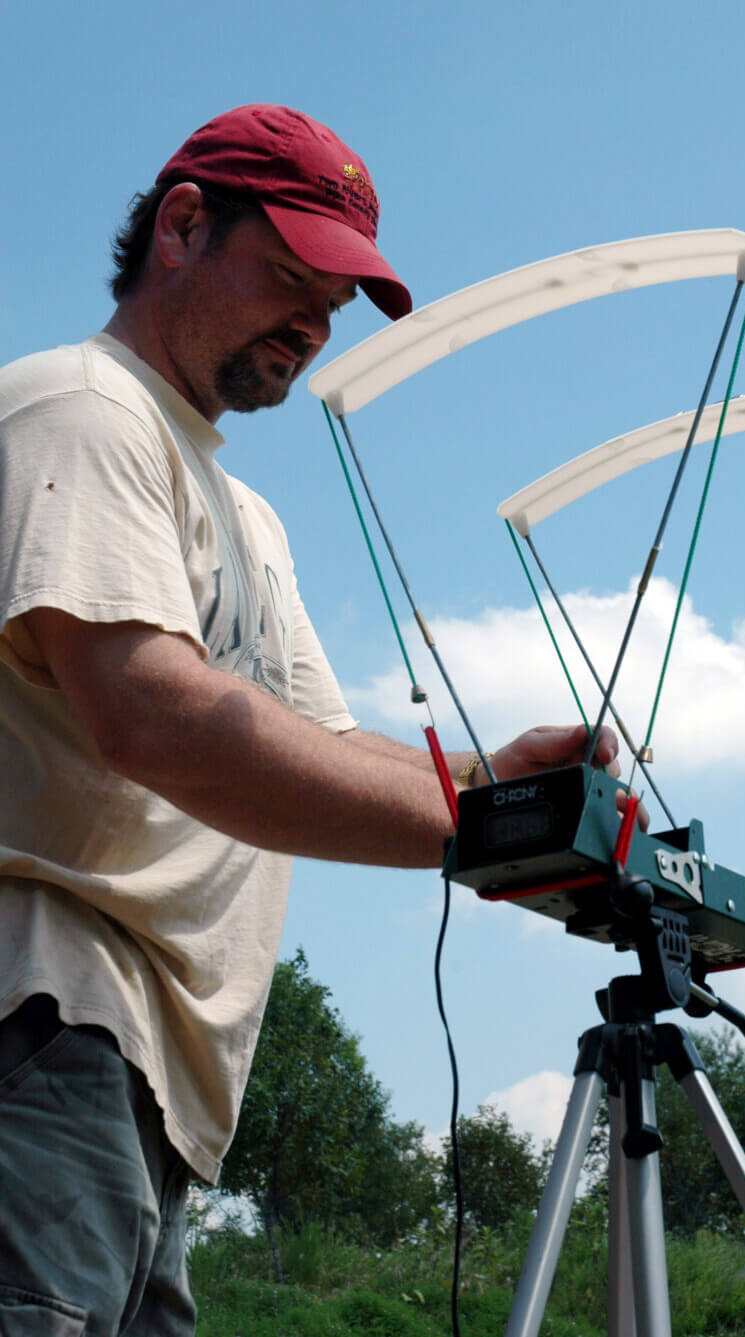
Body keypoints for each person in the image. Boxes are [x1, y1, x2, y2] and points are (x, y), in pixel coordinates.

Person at [0, 104, 630, 1334]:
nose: (316, 321)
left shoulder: (250, 517)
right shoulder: (79, 409)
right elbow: (157, 715)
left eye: (336, 298)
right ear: (183, 225)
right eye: (290, 273)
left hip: (155, 1077)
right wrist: (470, 820)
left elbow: (328, 750)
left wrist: (501, 786)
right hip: (48, 1015)